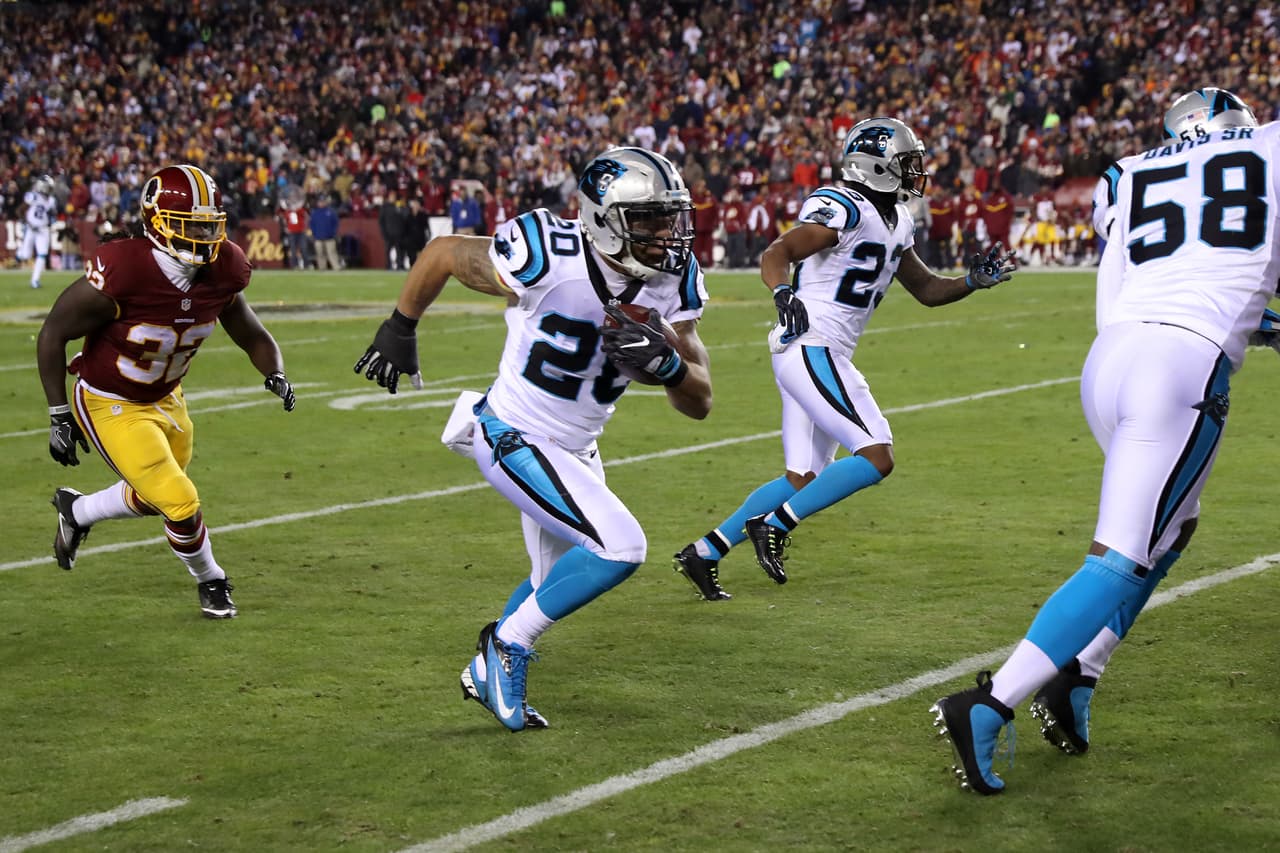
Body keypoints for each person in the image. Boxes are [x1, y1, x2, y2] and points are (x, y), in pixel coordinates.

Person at [930, 87, 1278, 795]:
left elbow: (1172, 268)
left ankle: (1079, 673)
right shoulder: (1268, 147)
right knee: (1121, 557)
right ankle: (992, 700)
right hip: (1181, 363)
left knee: (1173, 526)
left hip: (1111, 359)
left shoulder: (1128, 170)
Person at [353, 147, 712, 731]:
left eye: (670, 216)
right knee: (621, 547)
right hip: (514, 433)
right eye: (647, 218)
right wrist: (400, 327)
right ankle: (505, 650)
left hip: (577, 447)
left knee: (554, 582)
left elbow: (700, 400)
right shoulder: (548, 251)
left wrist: (670, 366)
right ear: (604, 218)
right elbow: (443, 252)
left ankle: (483, 668)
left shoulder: (675, 278)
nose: (666, 232)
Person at [672, 118, 1017, 601]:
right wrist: (783, 289)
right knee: (877, 454)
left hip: (816, 353)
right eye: (905, 164)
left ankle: (704, 552)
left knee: (802, 478)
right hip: (812, 345)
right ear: (876, 166)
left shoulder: (898, 221)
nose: (915, 172)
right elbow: (780, 250)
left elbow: (928, 290)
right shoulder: (845, 206)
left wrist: (971, 282)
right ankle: (775, 525)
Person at [36, 164, 296, 619]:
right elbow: (53, 332)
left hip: (167, 397)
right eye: (190, 223)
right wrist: (59, 412)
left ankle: (76, 511)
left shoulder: (224, 267)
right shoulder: (125, 269)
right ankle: (211, 580)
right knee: (179, 499)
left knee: (153, 495)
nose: (202, 233)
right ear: (157, 222)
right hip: (108, 400)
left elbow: (249, 330)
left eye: (209, 224)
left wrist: (273, 370)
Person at [18, 174, 58, 289]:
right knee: (25, 255)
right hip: (31, 228)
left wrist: (52, 218)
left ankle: (34, 280)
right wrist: (28, 223)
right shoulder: (33, 196)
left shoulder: (51, 200)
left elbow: (52, 217)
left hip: (43, 229)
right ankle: (19, 254)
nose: (50, 190)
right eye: (48, 187)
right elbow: (20, 210)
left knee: (42, 254)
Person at [310, 193, 342, 271]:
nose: (321, 203)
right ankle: (322, 268)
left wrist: (333, 232)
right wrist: (314, 233)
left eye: (323, 201)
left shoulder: (331, 212)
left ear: (325, 202)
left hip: (329, 237)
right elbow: (312, 224)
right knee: (320, 254)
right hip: (318, 237)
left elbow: (336, 223)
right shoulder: (315, 213)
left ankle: (336, 267)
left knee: (332, 253)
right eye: (320, 201)